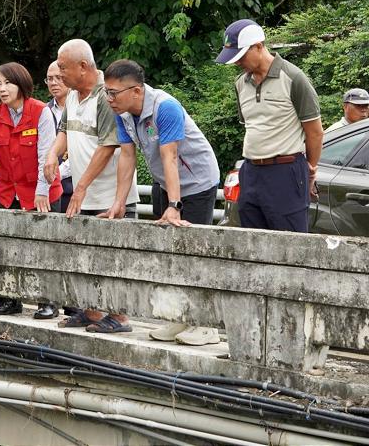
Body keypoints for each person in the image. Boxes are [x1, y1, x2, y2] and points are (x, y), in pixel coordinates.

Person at [103, 59, 222, 345]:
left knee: (194, 253)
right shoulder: (123, 113)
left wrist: (175, 205)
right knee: (168, 255)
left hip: (196, 185)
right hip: (163, 184)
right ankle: (179, 320)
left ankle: (206, 326)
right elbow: (127, 157)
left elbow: (170, 155)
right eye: (106, 92)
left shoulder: (165, 107)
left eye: (114, 93)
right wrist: (119, 201)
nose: (109, 99)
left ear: (136, 90)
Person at [43, 39, 139, 334]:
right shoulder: (72, 96)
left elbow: (109, 146)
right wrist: (51, 154)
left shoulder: (105, 96)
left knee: (115, 259)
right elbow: (64, 131)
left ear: (83, 67)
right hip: (85, 194)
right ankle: (93, 311)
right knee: (86, 256)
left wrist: (81, 185)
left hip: (110, 193)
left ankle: (120, 316)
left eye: (63, 67)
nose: (58, 74)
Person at [0, 62, 63, 318]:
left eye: (8, 83)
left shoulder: (40, 112)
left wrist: (41, 191)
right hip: (10, 193)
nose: (2, 89)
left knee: (45, 251)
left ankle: (48, 301)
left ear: (22, 84)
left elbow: (46, 156)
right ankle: (10, 299)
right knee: (8, 248)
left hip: (42, 191)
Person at [216, 19, 323, 233]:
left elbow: (315, 132)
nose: (237, 62)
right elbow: (252, 127)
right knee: (253, 240)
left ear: (258, 46)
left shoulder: (293, 78)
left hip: (286, 170)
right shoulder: (241, 84)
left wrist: (310, 168)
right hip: (251, 170)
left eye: (241, 55)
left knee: (290, 242)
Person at [45, 61, 73, 213]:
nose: (54, 83)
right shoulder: (43, 111)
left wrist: (56, 174)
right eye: (50, 78)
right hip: (50, 190)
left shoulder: (81, 109)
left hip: (78, 188)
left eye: (59, 78)